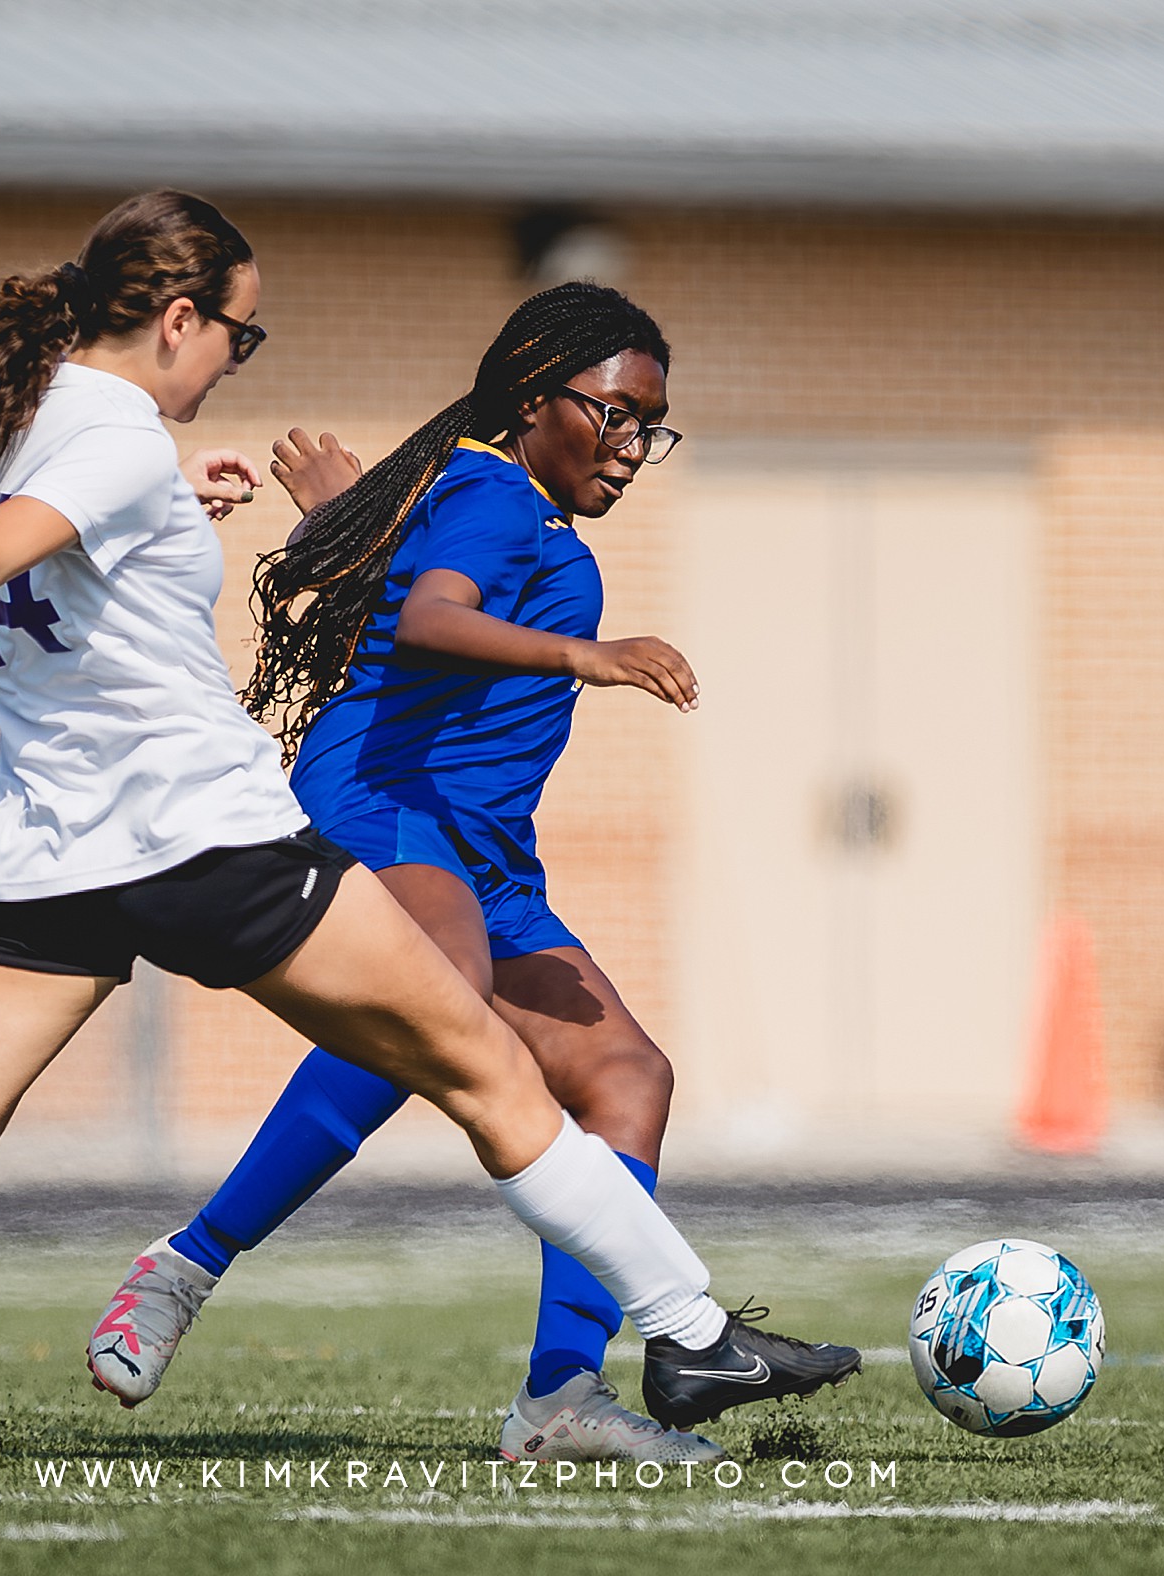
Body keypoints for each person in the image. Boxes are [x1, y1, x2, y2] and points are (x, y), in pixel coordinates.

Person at [0, 191, 859, 1475]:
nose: (233, 363)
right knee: (492, 1072)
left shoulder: (20, 432)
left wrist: (171, 508)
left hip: (45, 856)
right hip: (209, 843)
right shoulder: (106, 438)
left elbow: (0, 550)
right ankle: (685, 1329)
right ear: (176, 320)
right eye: (238, 334)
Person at [84, 283, 746, 1463]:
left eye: (653, 424)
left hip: (481, 847)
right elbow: (434, 621)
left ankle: (558, 1402)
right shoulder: (496, 495)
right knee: (439, 990)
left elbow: (402, 605)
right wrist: (584, 652)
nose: (635, 447)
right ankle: (184, 1265)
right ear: (539, 398)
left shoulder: (502, 503)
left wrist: (353, 535)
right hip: (388, 805)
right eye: (616, 416)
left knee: (627, 1077)